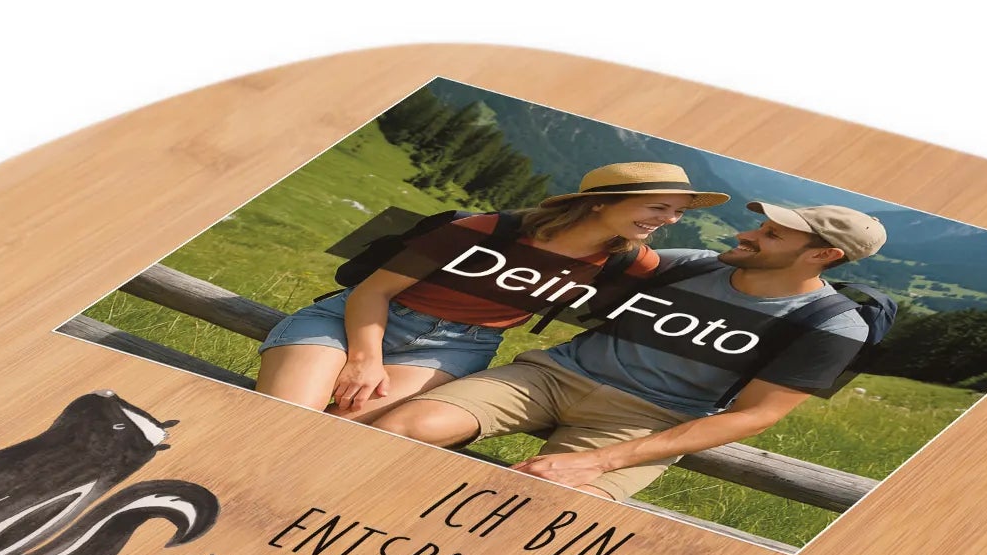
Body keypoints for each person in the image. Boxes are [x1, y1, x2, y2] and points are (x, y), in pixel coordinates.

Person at [370, 201, 888, 500]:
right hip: (550, 377)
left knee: (544, 508)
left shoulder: (831, 325)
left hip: (649, 421)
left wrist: (600, 462)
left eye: (770, 235)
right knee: (402, 429)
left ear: (823, 255)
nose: (745, 234)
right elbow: (573, 255)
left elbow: (755, 416)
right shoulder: (692, 264)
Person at [254, 163, 727, 419]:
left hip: (456, 348)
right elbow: (373, 291)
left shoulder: (631, 260)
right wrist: (365, 360)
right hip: (354, 320)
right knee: (285, 416)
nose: (668, 220)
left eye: (677, 212)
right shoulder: (487, 229)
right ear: (601, 202)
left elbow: (679, 296)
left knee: (340, 429)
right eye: (658, 207)